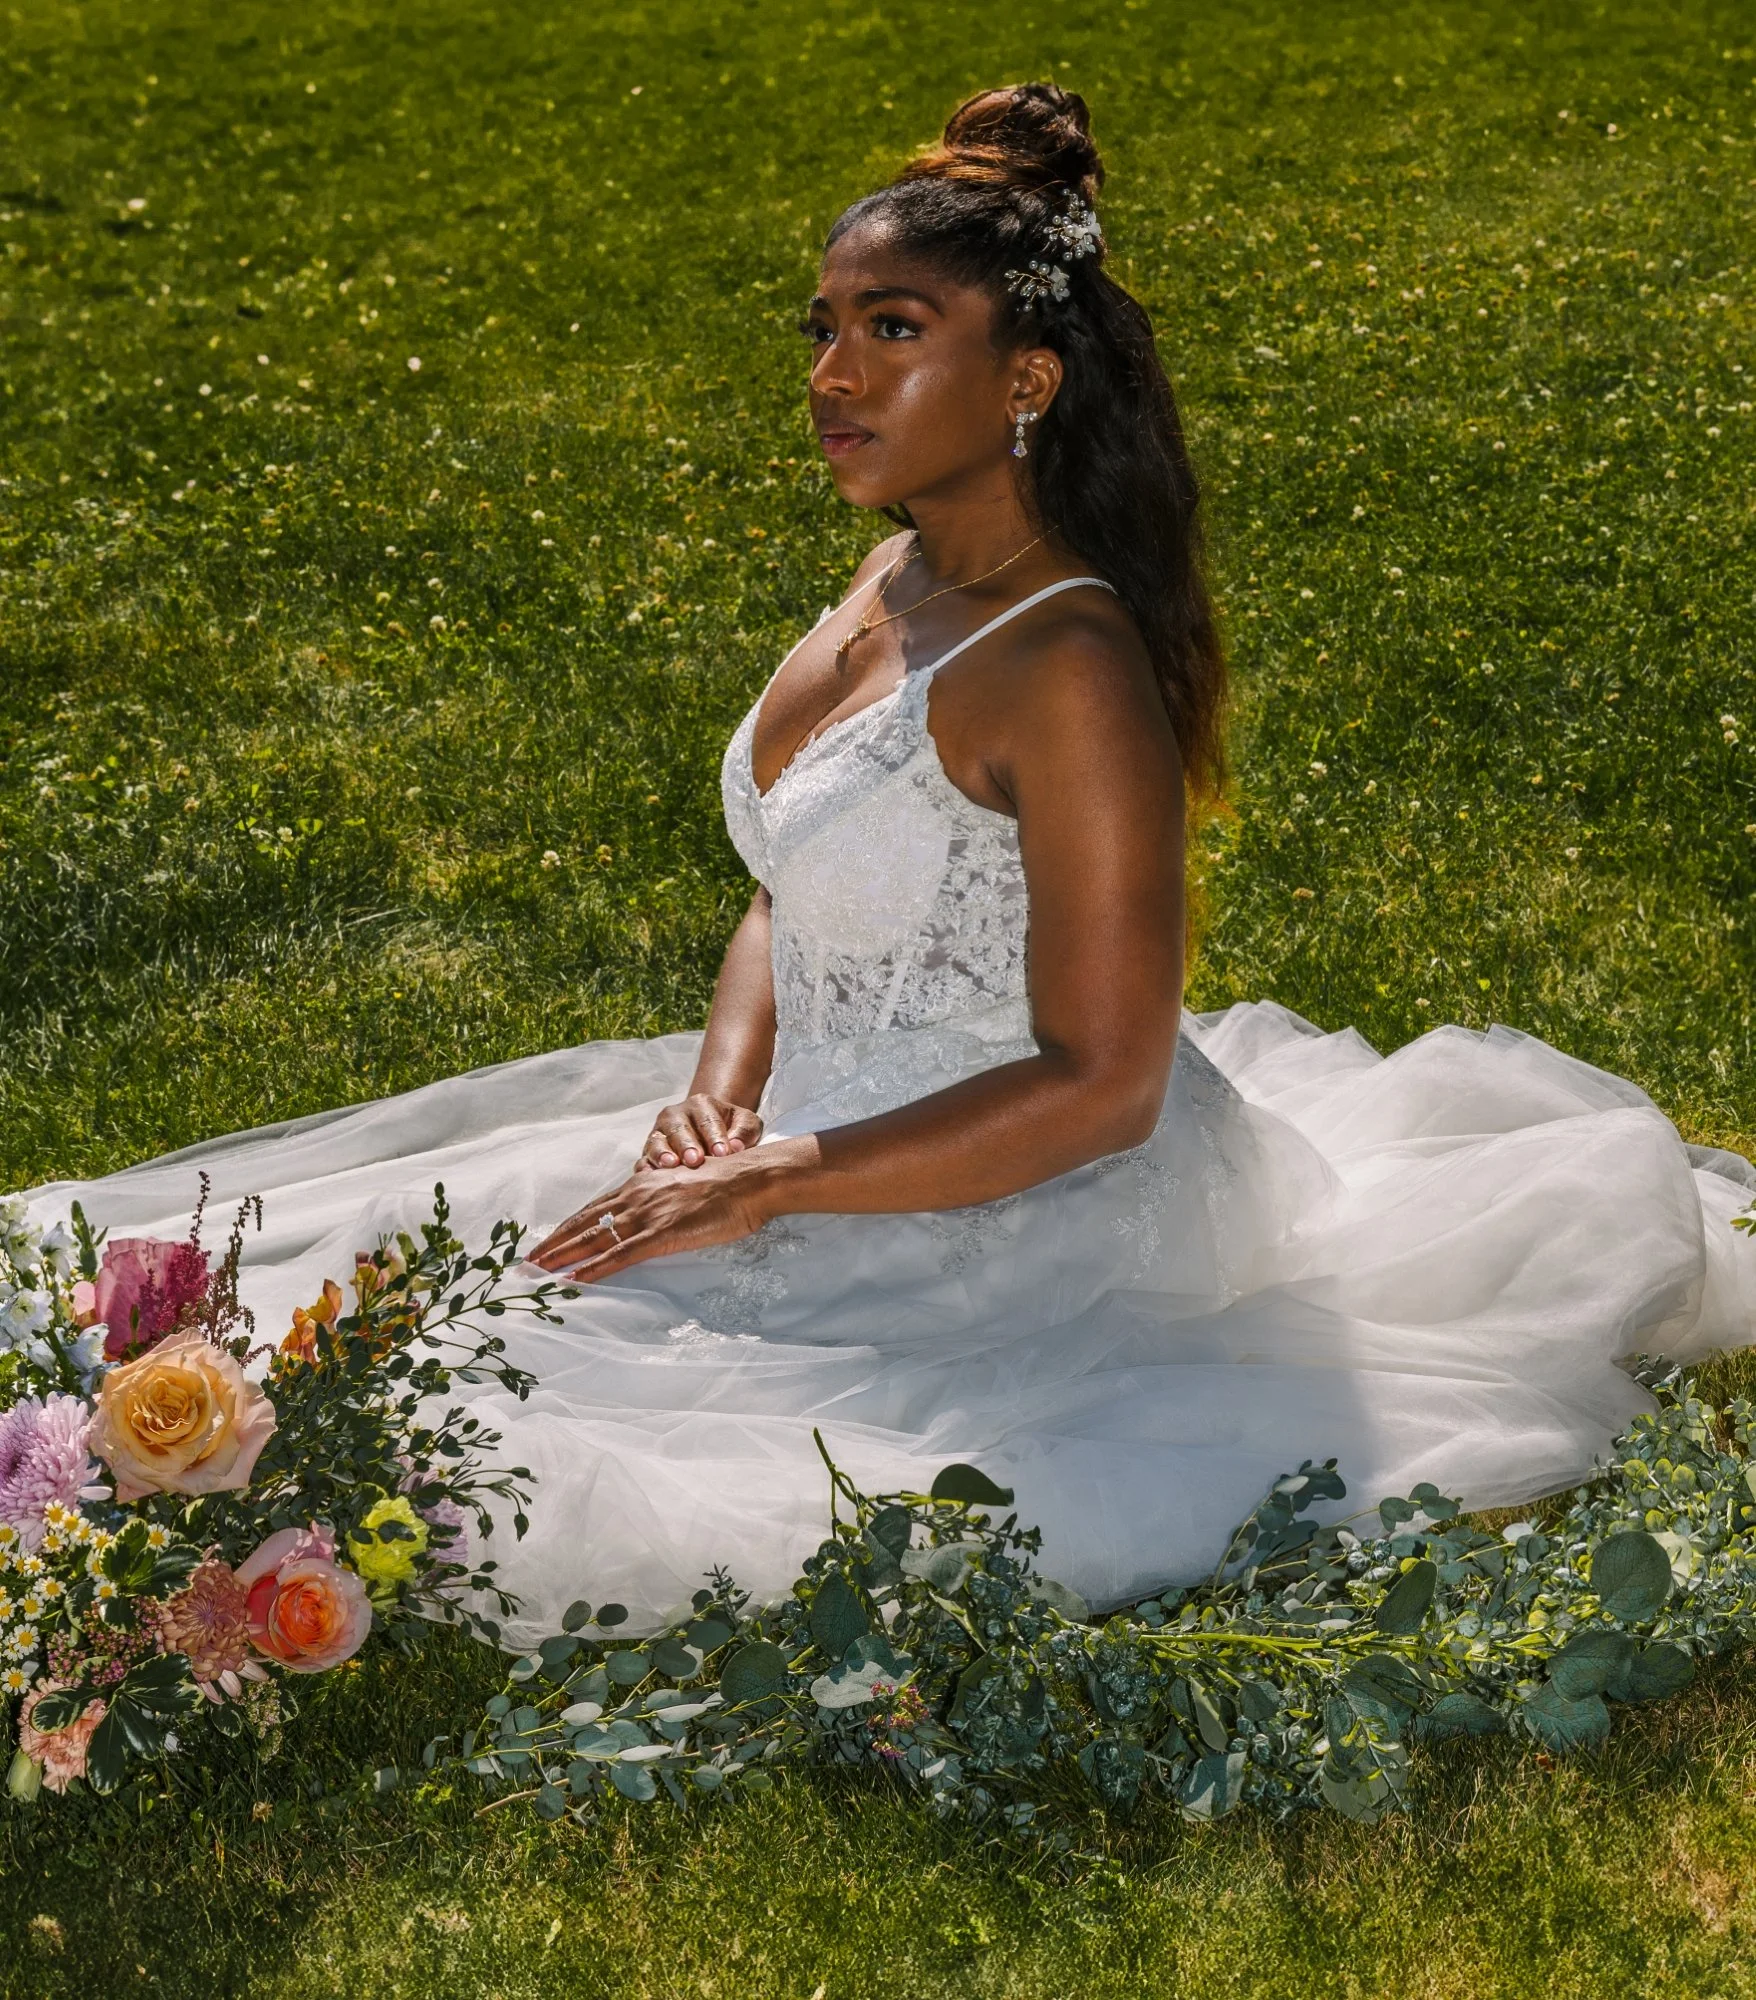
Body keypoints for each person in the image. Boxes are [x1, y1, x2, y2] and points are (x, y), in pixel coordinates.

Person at [23, 85, 1756, 1643]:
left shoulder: (1065, 667)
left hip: (1021, 1205)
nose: (831, 374)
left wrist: (776, 1182)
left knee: (534, 1422)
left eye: (892, 329)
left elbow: (1106, 1081)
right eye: (827, 327)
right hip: (796, 1129)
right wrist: (718, 1098)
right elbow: (788, 883)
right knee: (388, 1282)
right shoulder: (897, 582)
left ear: (1025, 379)